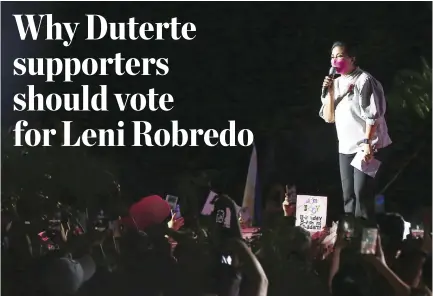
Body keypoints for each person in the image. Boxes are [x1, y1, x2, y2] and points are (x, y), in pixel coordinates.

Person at [319, 41, 392, 220]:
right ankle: (350, 237)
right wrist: (328, 91)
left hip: (366, 146)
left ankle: (366, 242)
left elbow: (373, 115)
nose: (335, 60)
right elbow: (329, 117)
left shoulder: (364, 80)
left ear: (352, 58)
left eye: (340, 56)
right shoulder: (334, 84)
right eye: (332, 57)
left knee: (362, 194)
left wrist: (368, 143)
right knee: (348, 196)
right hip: (345, 147)